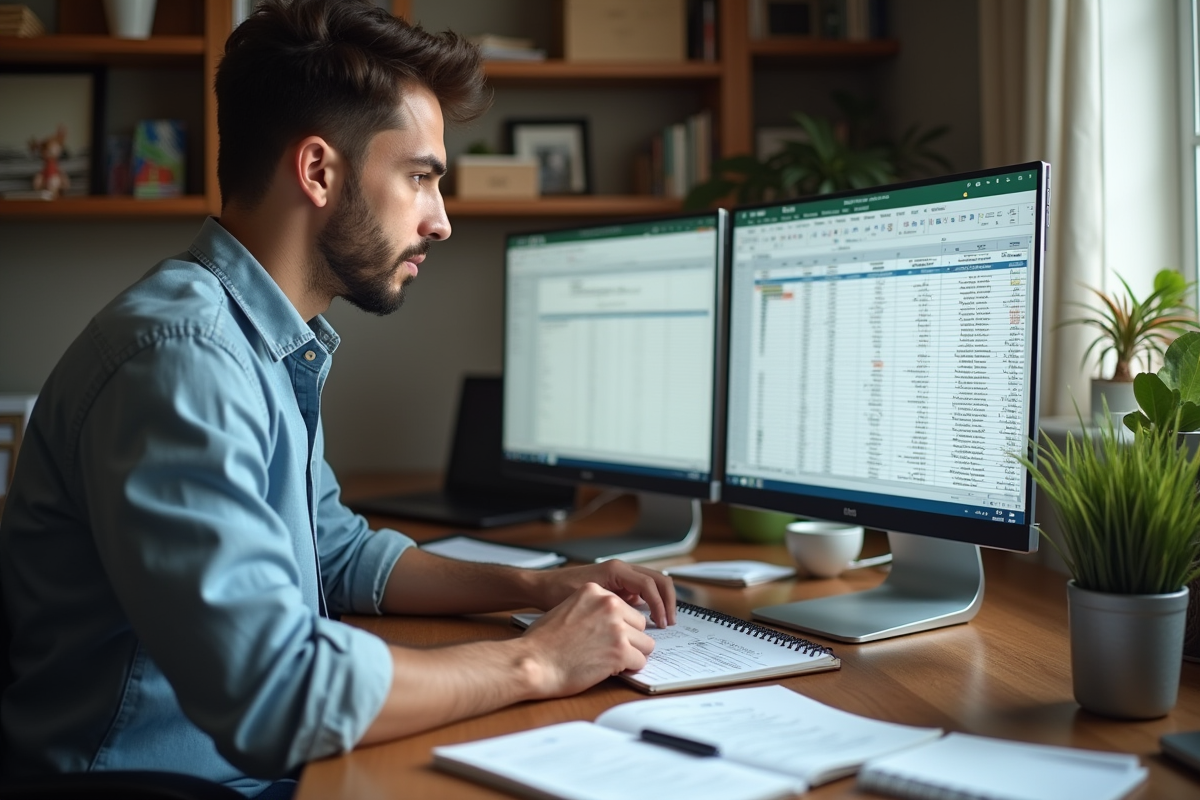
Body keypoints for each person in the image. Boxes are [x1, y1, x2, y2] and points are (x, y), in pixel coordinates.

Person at [0, 1, 675, 796]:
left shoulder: (260, 339)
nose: (441, 221)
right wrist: (537, 660)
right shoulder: (185, 360)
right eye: (421, 177)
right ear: (318, 171)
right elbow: (276, 693)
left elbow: (336, 553)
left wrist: (536, 587)